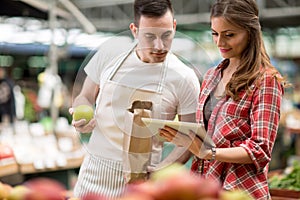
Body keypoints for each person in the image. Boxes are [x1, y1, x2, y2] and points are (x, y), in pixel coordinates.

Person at [159, 0, 289, 199]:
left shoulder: (266, 81)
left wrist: (209, 153)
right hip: (204, 187)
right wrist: (163, 163)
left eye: (230, 35)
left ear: (250, 32)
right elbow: (203, 136)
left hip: (241, 190)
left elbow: (260, 150)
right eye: (215, 33)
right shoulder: (212, 76)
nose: (220, 42)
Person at [70, 0, 200, 198]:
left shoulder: (184, 77)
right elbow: (85, 96)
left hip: (142, 184)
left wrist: (161, 170)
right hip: (93, 175)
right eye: (149, 37)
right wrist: (81, 115)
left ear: (174, 26)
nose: (159, 46)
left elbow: (190, 137)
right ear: (134, 30)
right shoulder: (109, 54)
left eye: (166, 35)